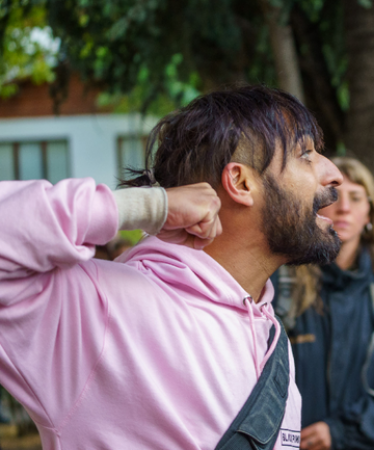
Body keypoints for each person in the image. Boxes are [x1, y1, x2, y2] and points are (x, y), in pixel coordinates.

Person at [0, 85, 343, 449]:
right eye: (305, 153)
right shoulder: (98, 308)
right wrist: (145, 208)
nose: (334, 173)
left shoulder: (271, 337)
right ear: (241, 183)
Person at [275, 157, 374, 450]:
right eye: (333, 195)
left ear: (369, 213)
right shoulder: (281, 284)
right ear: (315, 205)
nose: (344, 207)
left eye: (356, 197)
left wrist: (340, 432)